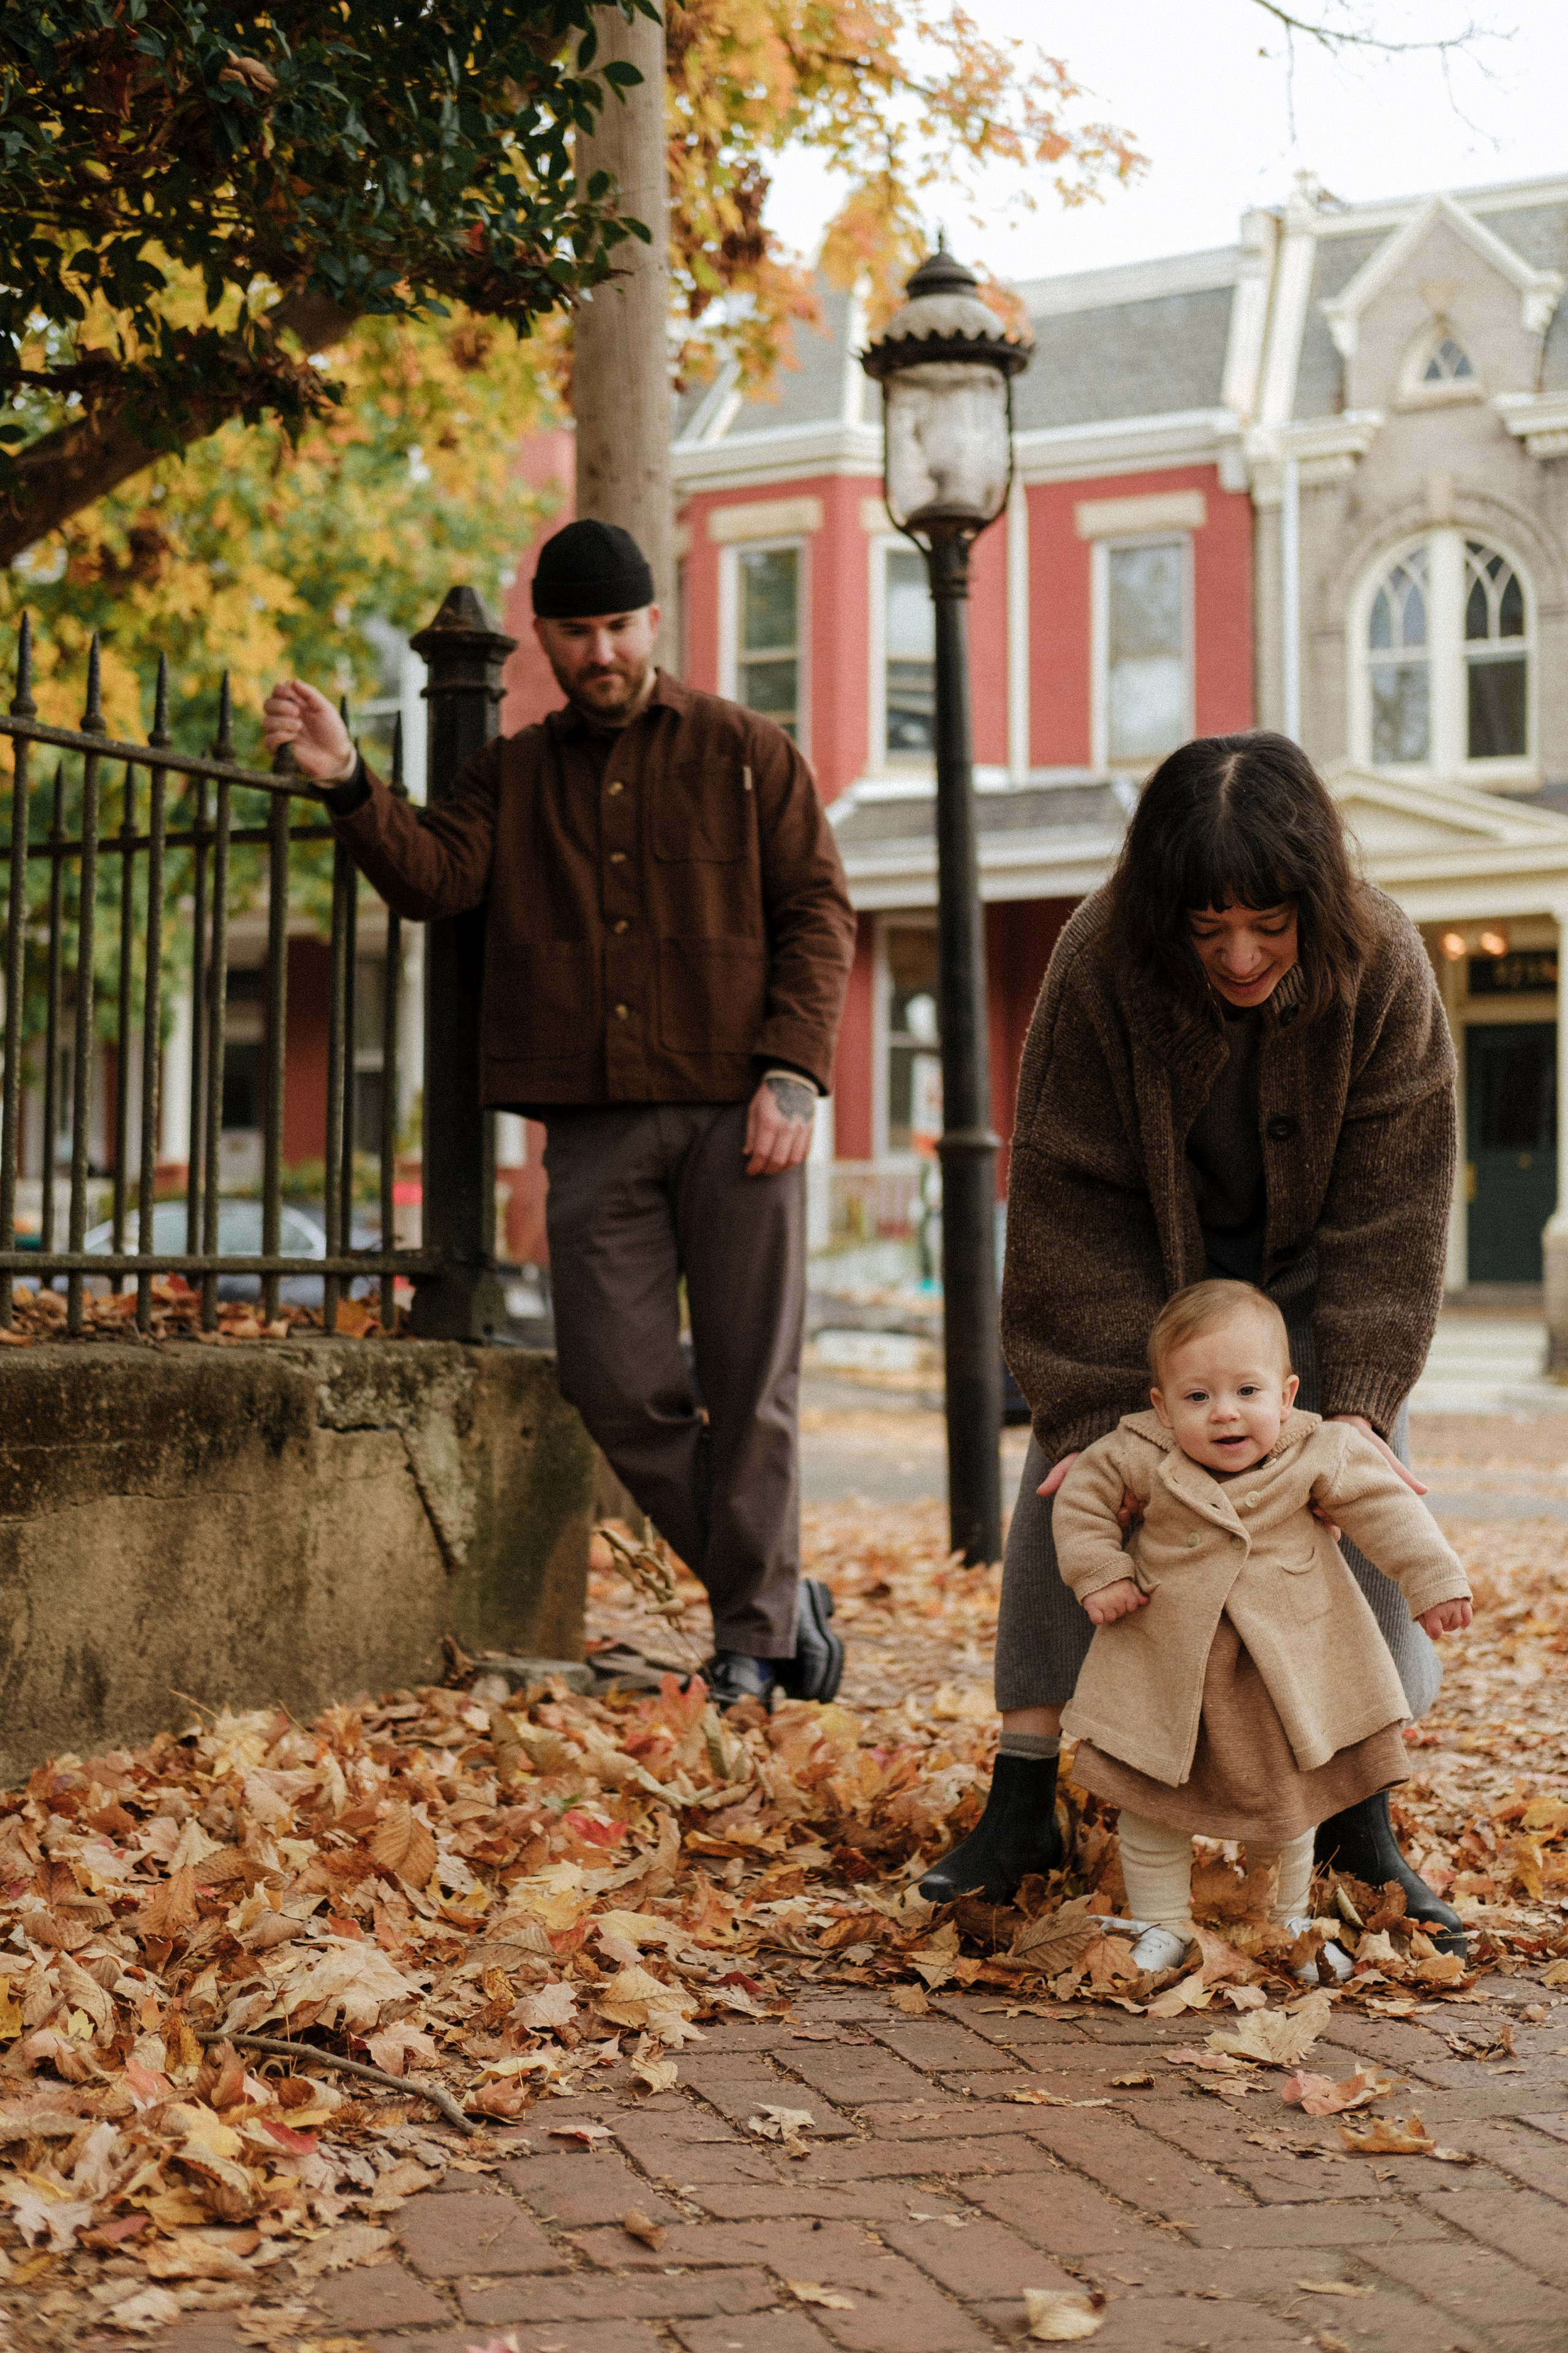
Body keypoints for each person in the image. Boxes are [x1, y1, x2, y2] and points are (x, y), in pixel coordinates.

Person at [262, 519, 857, 1709]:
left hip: (741, 1116)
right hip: (590, 1126)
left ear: (653, 623)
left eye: (618, 627)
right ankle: (781, 1598)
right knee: (611, 1383)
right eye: (577, 632)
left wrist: (791, 1071)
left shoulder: (747, 753)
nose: (600, 651)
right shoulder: (513, 775)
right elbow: (433, 878)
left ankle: (747, 1640)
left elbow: (818, 911)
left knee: (752, 1385)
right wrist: (345, 780)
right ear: (543, 639)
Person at [918, 730, 1469, 1952]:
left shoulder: (1380, 961)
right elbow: (1065, 1189)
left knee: (1353, 1499)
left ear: (1313, 902)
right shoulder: (1095, 959)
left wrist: (1361, 1403)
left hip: (1321, 1285)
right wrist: (1098, 1404)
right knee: (1075, 1491)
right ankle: (1025, 1800)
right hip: (1139, 1283)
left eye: (1266, 926)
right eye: (1204, 926)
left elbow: (1397, 1198)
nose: (1235, 955)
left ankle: (1357, 1821)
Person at [1053, 1278, 1471, 1977]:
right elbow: (1081, 1501)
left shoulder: (1321, 1450)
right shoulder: (1136, 1453)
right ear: (1160, 1407)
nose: (1224, 1414)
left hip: (1284, 1669)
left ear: (1286, 1394)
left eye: (1247, 1392)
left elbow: (1385, 1508)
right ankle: (1160, 1924)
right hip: (1170, 1666)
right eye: (1197, 1397)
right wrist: (1100, 1572)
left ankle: (1286, 1922)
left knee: (1290, 1804)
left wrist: (1433, 1579)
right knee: (1152, 1800)